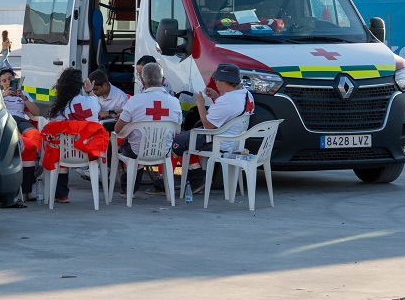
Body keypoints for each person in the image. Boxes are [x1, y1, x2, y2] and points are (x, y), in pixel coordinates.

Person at [169, 62, 255, 193]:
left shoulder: (227, 101)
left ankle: (188, 178)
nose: (214, 81)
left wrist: (200, 104)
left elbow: (208, 125)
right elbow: (228, 113)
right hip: (235, 140)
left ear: (225, 81)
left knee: (174, 142)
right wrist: (216, 98)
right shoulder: (246, 94)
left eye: (216, 79)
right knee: (185, 138)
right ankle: (195, 175)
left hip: (220, 142)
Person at [114, 62, 182, 195]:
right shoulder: (174, 102)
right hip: (163, 150)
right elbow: (177, 130)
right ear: (162, 80)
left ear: (142, 80)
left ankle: (128, 189)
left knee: (127, 145)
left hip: (137, 150)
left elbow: (117, 129)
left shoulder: (134, 101)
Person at [45, 67, 101, 203]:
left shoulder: (59, 109)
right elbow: (97, 107)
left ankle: (62, 194)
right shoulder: (91, 102)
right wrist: (89, 91)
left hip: (66, 152)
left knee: (57, 148)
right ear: (80, 85)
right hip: (89, 151)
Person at [0, 66, 42, 206]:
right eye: (4, 81)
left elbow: (37, 112)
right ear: (0, 83)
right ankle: (29, 184)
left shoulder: (23, 93)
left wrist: (24, 98)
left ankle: (35, 163)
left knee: (35, 135)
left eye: (10, 79)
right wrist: (3, 95)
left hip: (21, 120)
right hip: (8, 121)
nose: (7, 82)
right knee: (23, 142)